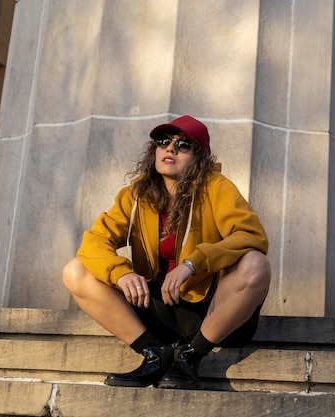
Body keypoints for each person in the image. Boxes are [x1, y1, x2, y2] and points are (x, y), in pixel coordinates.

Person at [62, 114, 271, 390]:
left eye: (184, 145)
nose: (170, 148)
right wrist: (120, 274)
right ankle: (154, 354)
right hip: (157, 308)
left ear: (199, 158)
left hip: (208, 310)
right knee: (75, 270)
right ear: (155, 150)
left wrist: (193, 263)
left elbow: (251, 235)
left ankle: (190, 358)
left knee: (256, 263)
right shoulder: (136, 195)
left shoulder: (216, 188)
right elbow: (94, 241)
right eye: (164, 141)